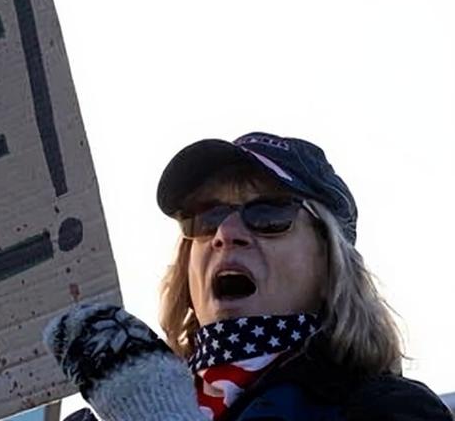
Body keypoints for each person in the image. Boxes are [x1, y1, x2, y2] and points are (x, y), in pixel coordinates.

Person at [44, 132, 453, 420]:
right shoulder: (112, 407)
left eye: (269, 213)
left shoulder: (388, 408)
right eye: (208, 215)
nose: (226, 234)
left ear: (331, 263)